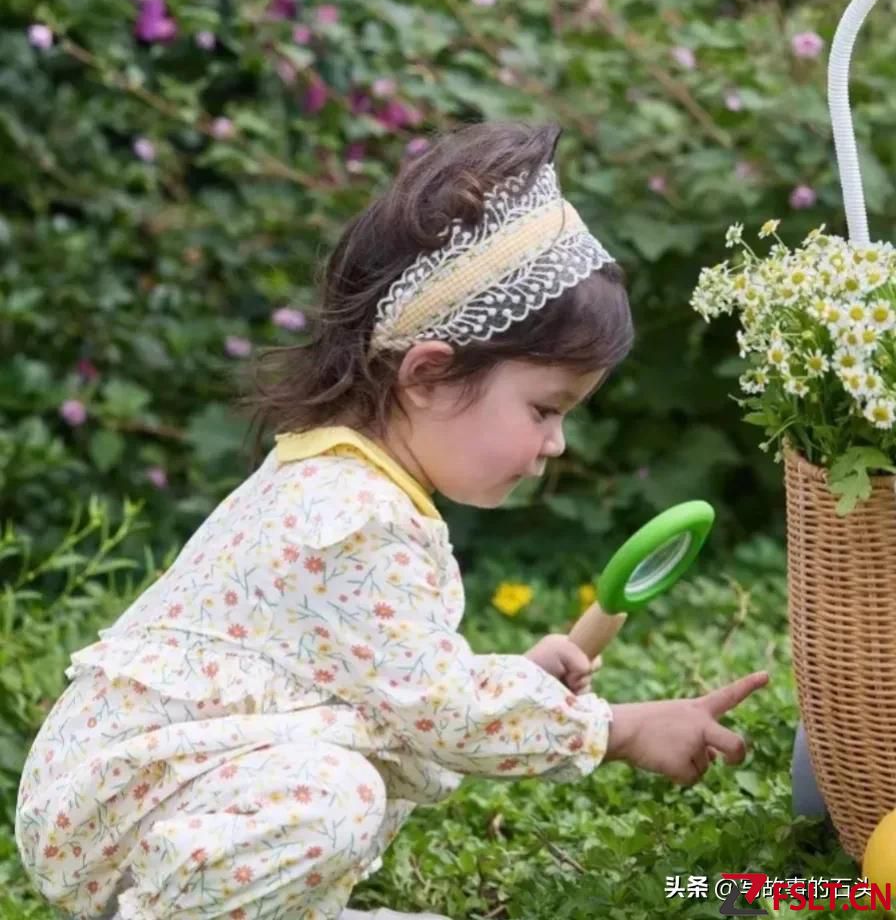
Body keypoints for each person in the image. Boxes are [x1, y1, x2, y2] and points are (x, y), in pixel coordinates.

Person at [15, 120, 769, 920]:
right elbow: (447, 715)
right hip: (117, 806)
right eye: (545, 409)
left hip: (135, 789)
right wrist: (618, 728)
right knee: (332, 793)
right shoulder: (356, 519)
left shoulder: (337, 472)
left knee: (346, 770)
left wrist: (513, 680)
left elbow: (392, 692)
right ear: (429, 375)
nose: (556, 444)